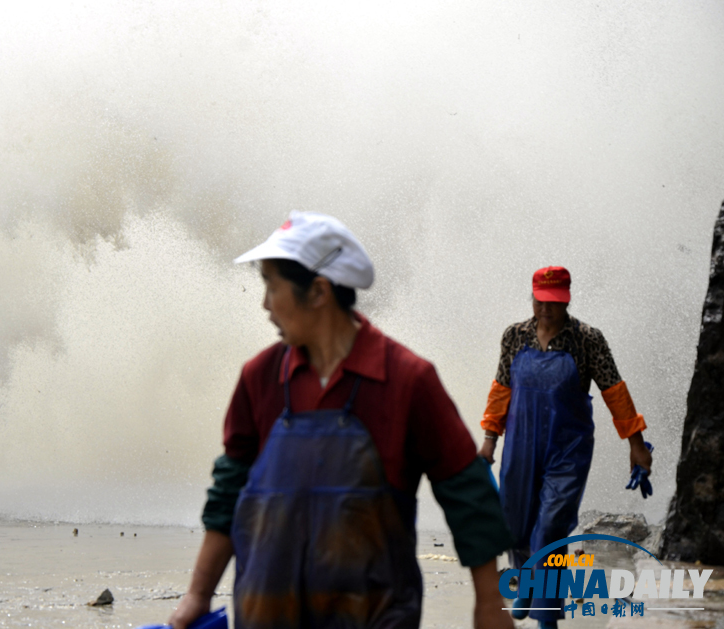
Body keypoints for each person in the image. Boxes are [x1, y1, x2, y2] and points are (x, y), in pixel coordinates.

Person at [169, 212, 514, 629]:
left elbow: (467, 493)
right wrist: (197, 596)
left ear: (317, 292)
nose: (264, 304)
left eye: (272, 287)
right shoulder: (260, 378)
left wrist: (489, 605)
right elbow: (229, 493)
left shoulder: (406, 379)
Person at [477, 266, 654, 629]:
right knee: (514, 525)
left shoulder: (588, 339)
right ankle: (526, 579)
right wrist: (489, 441)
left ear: (567, 299)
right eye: (541, 301)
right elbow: (501, 390)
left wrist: (635, 444)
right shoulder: (515, 336)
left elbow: (614, 392)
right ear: (532, 297)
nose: (546, 309)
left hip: (567, 449)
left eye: (554, 302)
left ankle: (547, 620)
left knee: (550, 530)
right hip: (521, 447)